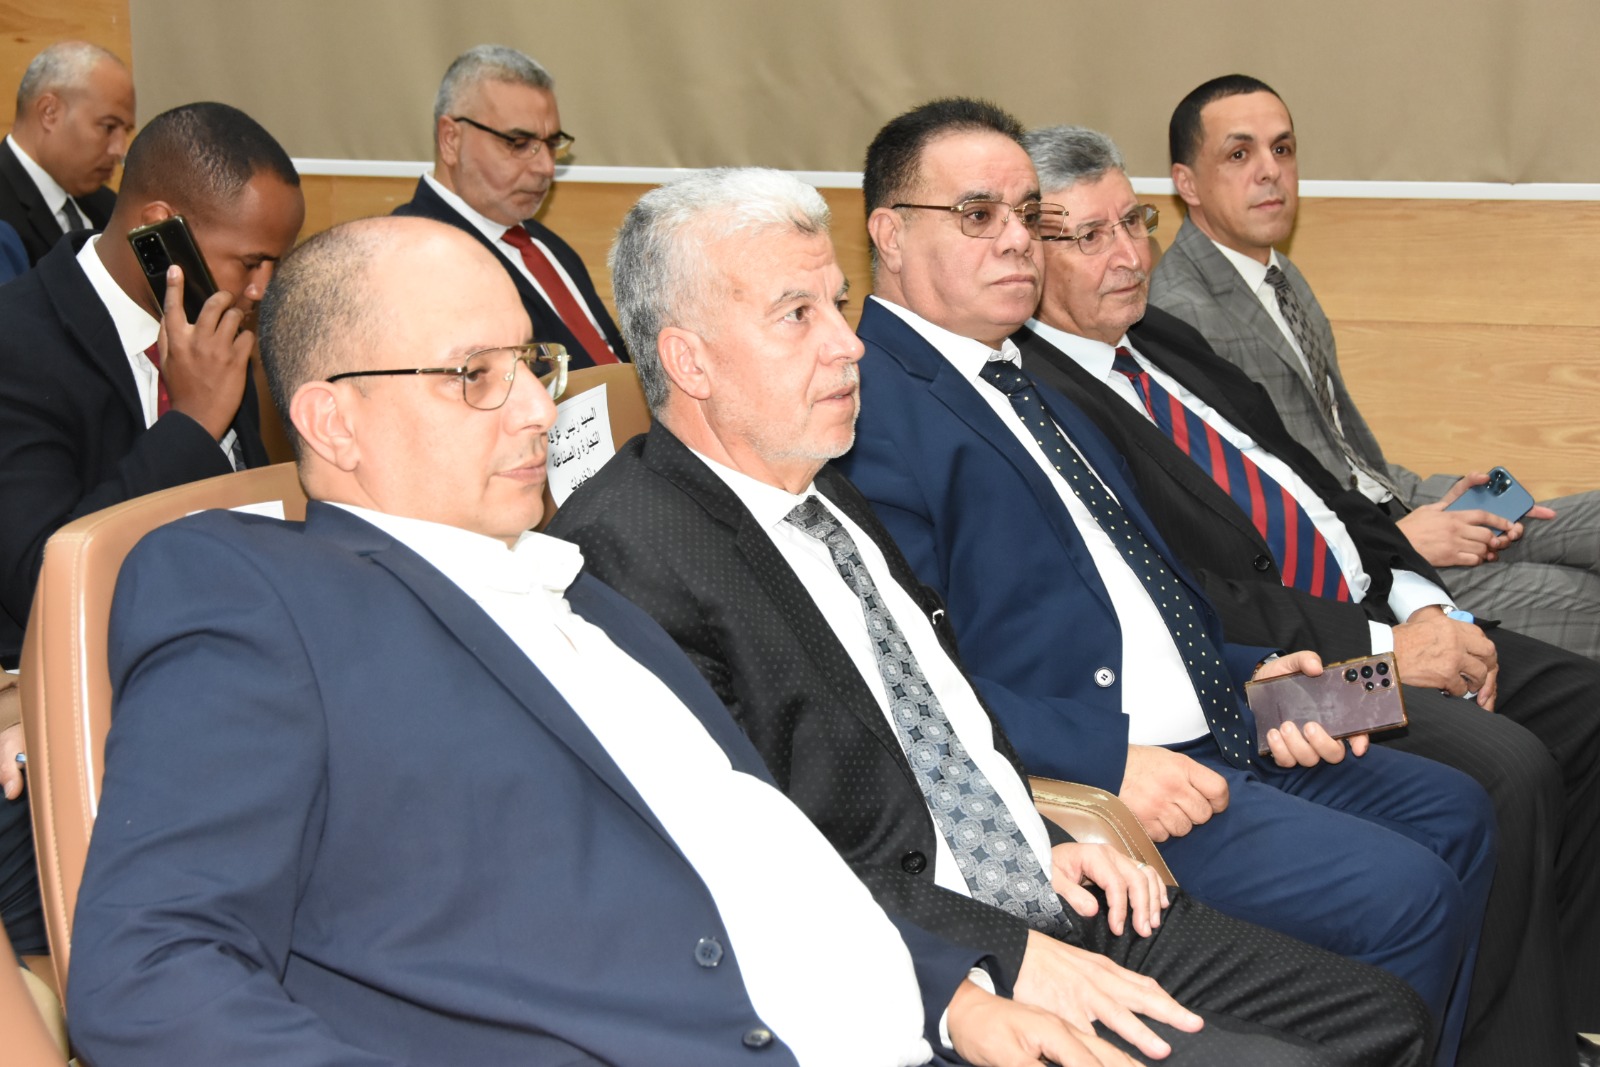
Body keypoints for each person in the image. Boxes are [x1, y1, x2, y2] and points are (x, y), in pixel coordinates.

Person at [66, 213, 1125, 1067]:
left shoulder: (581, 584)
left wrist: (948, 996)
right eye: (474, 375)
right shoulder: (256, 589)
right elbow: (152, 969)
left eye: (532, 362)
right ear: (334, 420)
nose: (539, 406)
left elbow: (743, 841)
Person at [548, 166, 1431, 1066]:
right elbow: (741, 861)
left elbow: (937, 717)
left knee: (1385, 1015)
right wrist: (996, 947)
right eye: (796, 316)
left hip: (1046, 871)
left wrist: (1037, 838)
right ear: (690, 360)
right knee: (1360, 959)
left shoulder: (824, 489)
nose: (848, 345)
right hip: (924, 959)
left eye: (837, 305)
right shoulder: (622, 555)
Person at [835, 96, 1496, 1065]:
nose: (1016, 240)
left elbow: (1146, 587)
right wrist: (1106, 760)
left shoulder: (1023, 376)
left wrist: (1259, 669)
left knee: (1463, 803)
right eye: (978, 214)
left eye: (1026, 214)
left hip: (1229, 702)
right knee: (1407, 890)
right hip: (1117, 764)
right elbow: (904, 672)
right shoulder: (869, 409)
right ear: (889, 234)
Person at [1014, 122, 1600, 1067]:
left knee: (1582, 705)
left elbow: (1329, 494)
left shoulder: (1159, 338)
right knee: (1503, 768)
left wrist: (1424, 604)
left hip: (1373, 618)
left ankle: (1562, 1012)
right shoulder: (1040, 396)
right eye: (1088, 236)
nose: (1128, 256)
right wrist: (1386, 652)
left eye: (1132, 223)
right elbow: (1205, 595)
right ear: (1022, 252)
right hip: (1284, 676)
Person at [1149, 74, 1600, 664]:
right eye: (1239, 154)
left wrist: (1442, 499)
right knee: (1586, 599)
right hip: (1367, 567)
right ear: (1187, 183)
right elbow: (1249, 522)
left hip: (1398, 511)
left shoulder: (1278, 275)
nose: (1270, 171)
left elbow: (1348, 456)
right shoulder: (1175, 314)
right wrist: (1399, 539)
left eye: (1282, 148)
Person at [0, 100, 303, 959]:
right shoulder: (18, 342)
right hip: (47, 718)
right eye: (250, 261)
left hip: (204, 680)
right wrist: (192, 426)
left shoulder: (212, 326)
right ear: (158, 229)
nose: (262, 289)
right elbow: (43, 577)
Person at [393, 44, 628, 369]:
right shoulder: (412, 258)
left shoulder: (542, 244)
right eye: (518, 144)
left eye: (551, 144)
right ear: (451, 140)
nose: (546, 167)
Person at [0, 41, 134, 265]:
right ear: (49, 112)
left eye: (126, 131)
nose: (120, 150)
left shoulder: (108, 207)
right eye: (108, 127)